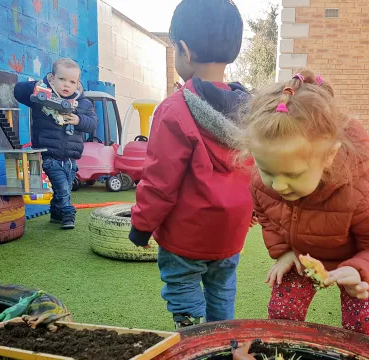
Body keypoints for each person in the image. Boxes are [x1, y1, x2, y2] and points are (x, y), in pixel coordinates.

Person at [240, 69, 369, 340]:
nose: (278, 186)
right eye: (268, 171)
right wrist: (283, 251)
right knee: (282, 314)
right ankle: (283, 352)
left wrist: (360, 271)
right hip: (302, 256)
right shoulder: (263, 183)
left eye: (292, 175)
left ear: (329, 156)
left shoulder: (365, 191)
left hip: (359, 262)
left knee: (363, 329)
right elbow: (266, 215)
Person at [128, 0, 253, 329]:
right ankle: (222, 343)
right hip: (230, 233)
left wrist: (141, 227)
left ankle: (195, 344)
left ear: (184, 50)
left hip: (186, 235)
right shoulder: (252, 111)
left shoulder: (174, 109)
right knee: (223, 290)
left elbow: (159, 181)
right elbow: (259, 174)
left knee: (184, 291)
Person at [14, 58, 98, 230]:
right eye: (62, 79)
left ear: (78, 84)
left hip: (71, 157)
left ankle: (55, 213)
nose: (67, 85)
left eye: (72, 81)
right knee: (63, 188)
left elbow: (93, 123)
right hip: (50, 154)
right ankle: (68, 214)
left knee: (65, 186)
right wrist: (40, 85)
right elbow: (18, 91)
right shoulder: (41, 96)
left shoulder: (82, 103)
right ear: (52, 79)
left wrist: (78, 119)